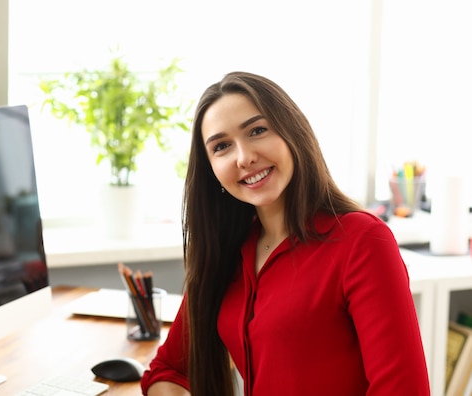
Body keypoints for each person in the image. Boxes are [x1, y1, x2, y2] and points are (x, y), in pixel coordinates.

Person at [140, 72, 430, 395]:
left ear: (292, 132)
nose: (244, 157)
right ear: (211, 169)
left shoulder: (363, 242)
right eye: (222, 146)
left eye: (258, 130)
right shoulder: (226, 250)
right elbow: (167, 369)